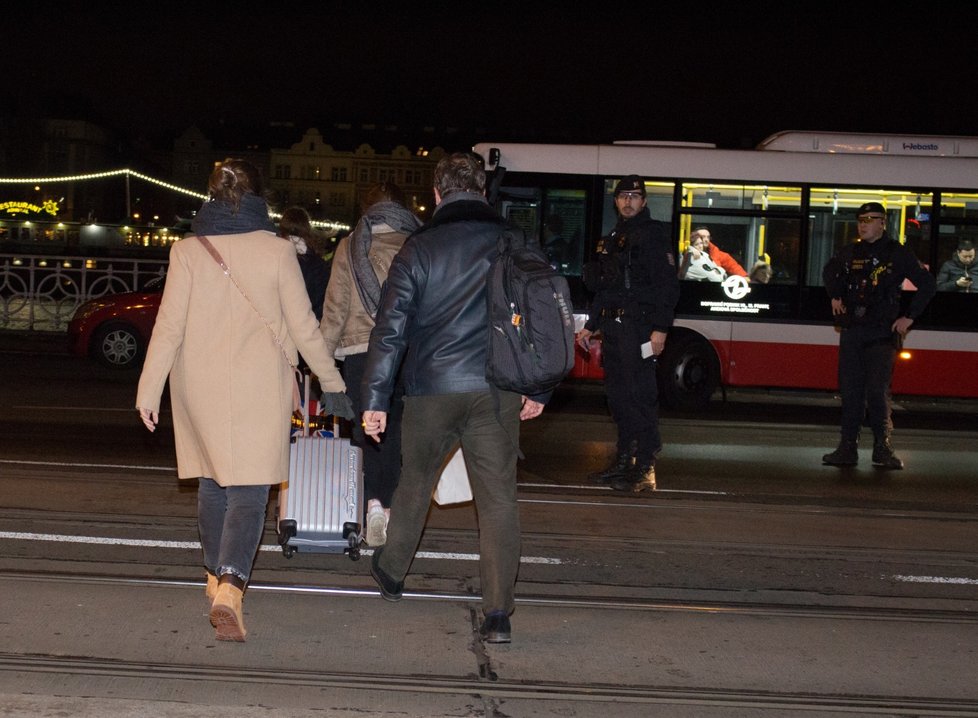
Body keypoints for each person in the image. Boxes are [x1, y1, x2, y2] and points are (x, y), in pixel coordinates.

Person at [135, 158, 352, 642]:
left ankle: (214, 580)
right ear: (259, 195)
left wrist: (148, 390)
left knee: (213, 484)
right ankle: (231, 586)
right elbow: (303, 328)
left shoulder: (188, 250)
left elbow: (168, 328)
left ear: (211, 195)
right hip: (258, 387)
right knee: (251, 492)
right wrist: (333, 383)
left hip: (199, 385)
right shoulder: (276, 251)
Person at [361, 152, 546, 644]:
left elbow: (389, 331)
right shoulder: (513, 240)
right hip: (497, 389)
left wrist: (375, 398)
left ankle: (393, 571)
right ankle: (499, 613)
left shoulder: (419, 247)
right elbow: (544, 313)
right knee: (499, 499)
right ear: (483, 190)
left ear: (437, 194)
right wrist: (539, 386)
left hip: (432, 390)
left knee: (415, 480)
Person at [320, 181, 421, 547]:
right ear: (403, 206)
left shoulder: (350, 245)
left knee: (367, 433)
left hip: (361, 353)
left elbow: (335, 308)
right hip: (407, 352)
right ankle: (391, 510)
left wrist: (323, 364)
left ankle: (372, 505)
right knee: (395, 433)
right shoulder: (419, 244)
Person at [578, 175, 680, 492]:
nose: (628, 201)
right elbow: (607, 287)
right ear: (616, 201)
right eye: (623, 196)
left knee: (641, 397)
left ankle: (646, 464)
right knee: (619, 398)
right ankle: (624, 461)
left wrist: (660, 330)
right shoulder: (613, 237)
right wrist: (591, 325)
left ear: (644, 201)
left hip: (640, 328)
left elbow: (668, 287)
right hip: (614, 330)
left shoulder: (654, 235)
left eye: (635, 196)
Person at [821, 202, 936, 470]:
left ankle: (882, 449)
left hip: (881, 334)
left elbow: (927, 284)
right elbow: (829, 271)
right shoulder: (851, 251)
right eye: (861, 219)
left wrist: (909, 317)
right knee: (850, 393)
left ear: (882, 223)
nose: (863, 224)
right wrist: (835, 294)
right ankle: (847, 448)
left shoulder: (896, 253)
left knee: (876, 392)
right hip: (852, 331)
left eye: (870, 219)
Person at [277, 206, 331, 321]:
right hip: (304, 325)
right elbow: (319, 304)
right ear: (307, 228)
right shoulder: (318, 264)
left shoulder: (272, 256)